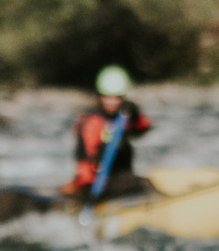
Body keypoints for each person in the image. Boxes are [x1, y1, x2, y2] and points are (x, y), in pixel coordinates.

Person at [62, 66, 153, 201]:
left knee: (135, 181)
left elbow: (143, 128)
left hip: (120, 176)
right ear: (100, 97)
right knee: (144, 184)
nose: (112, 102)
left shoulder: (124, 116)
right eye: (108, 97)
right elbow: (84, 159)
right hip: (98, 183)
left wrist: (135, 115)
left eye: (117, 98)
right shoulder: (92, 121)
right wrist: (88, 187)